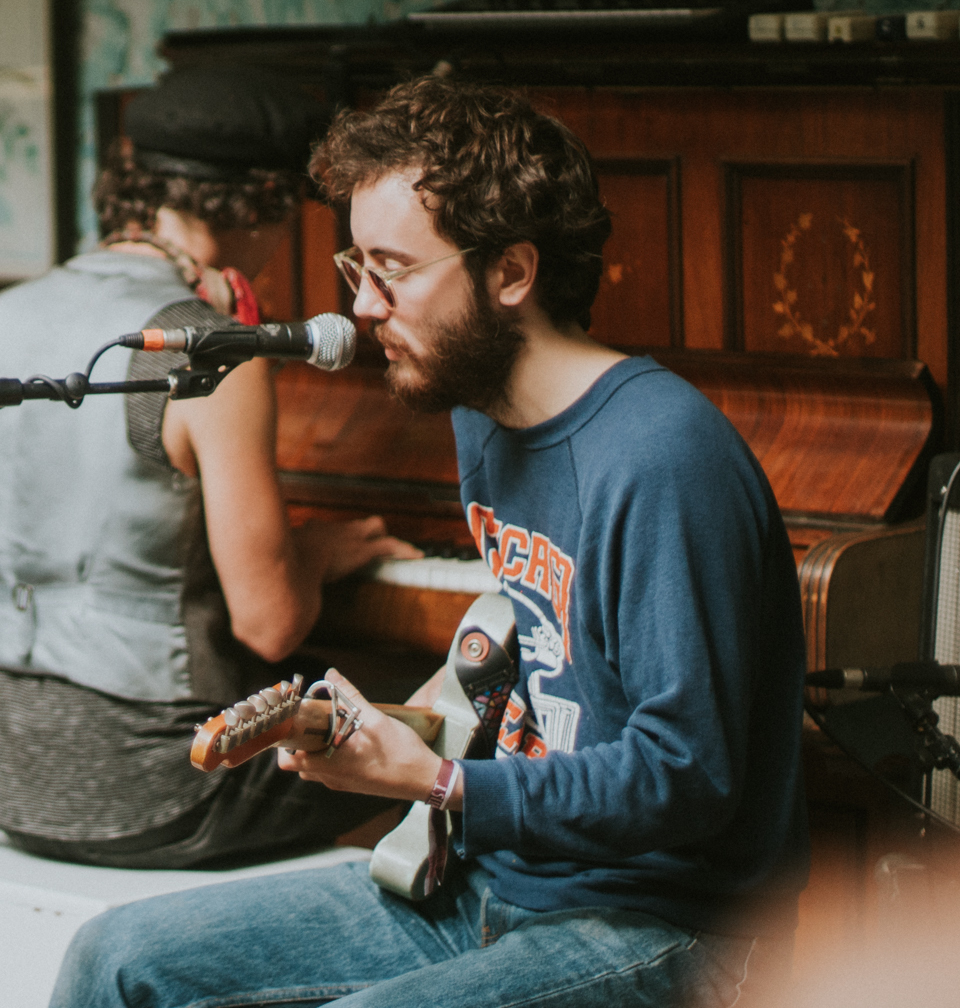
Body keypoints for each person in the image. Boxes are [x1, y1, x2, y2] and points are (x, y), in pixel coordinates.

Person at [50, 77, 808, 1007]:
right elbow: (545, 685)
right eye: (354, 268)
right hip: (495, 877)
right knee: (114, 957)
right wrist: (387, 733)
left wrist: (444, 782)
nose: (363, 308)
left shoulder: (662, 457)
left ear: (512, 273)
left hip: (669, 923)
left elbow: (689, 778)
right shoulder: (482, 417)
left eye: (393, 269)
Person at [0, 63, 418, 870]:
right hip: (151, 792)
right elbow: (269, 622)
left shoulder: (6, 311)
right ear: (265, 205)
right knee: (427, 733)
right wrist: (321, 551)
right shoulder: (208, 353)